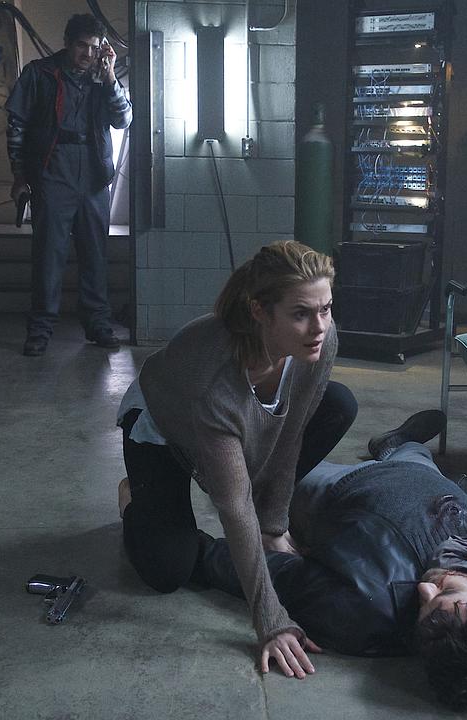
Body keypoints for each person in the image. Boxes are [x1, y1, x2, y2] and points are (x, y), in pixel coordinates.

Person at [194, 411, 467, 715]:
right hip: (430, 481)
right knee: (414, 453)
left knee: (261, 468)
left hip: (343, 489)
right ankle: (397, 443)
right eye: (446, 592)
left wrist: (189, 553)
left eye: (423, 608)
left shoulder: (364, 609)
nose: (425, 589)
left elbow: (267, 573)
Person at [117, 240, 357, 680]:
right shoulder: (212, 379)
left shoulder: (321, 340)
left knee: (339, 405)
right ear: (260, 312)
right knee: (167, 570)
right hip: (163, 428)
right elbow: (233, 504)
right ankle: (134, 495)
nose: (319, 326)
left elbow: (290, 435)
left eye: (325, 309)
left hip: (234, 425)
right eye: (301, 314)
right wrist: (271, 619)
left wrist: (274, 526)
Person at [5, 14, 132, 357]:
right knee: (49, 254)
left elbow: (123, 119)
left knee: (95, 253)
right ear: (67, 43)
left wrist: (110, 78)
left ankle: (98, 323)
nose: (87, 54)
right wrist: (19, 174)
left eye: (94, 47)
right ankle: (40, 328)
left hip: (93, 174)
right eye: (81, 45)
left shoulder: (102, 77)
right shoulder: (40, 73)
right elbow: (16, 124)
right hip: (53, 170)